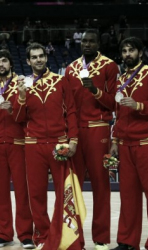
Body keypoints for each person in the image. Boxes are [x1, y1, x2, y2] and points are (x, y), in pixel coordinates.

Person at [14, 43, 81, 249]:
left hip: (59, 143)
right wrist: (21, 97)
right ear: (28, 61)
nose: (38, 60)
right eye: (34, 57)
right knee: (36, 193)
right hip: (33, 144)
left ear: (46, 57)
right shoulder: (22, 84)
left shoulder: (61, 81)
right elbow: (18, 118)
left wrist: (73, 139)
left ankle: (66, 235)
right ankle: (43, 236)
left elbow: (71, 111)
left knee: (64, 192)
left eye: (41, 56)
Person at [65, 29, 119, 250]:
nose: (87, 44)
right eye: (84, 41)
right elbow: (67, 106)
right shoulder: (70, 69)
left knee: (101, 185)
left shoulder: (109, 66)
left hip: (99, 130)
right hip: (76, 132)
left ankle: (101, 238)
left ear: (99, 43)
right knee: (74, 186)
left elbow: (114, 103)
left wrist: (96, 91)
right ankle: (75, 238)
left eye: (91, 41)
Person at [0, 49, 34, 249]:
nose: (1, 64)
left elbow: (29, 113)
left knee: (22, 191)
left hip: (18, 143)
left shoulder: (21, 84)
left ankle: (26, 235)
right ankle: (3, 233)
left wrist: (14, 106)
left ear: (11, 63)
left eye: (4, 61)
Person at [110, 37, 148, 250]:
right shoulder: (121, 78)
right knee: (128, 196)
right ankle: (127, 241)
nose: (127, 54)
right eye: (124, 51)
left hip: (145, 143)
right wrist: (114, 140)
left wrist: (139, 105)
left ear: (140, 53)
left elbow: (135, 106)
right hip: (124, 144)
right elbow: (119, 114)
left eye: (131, 50)